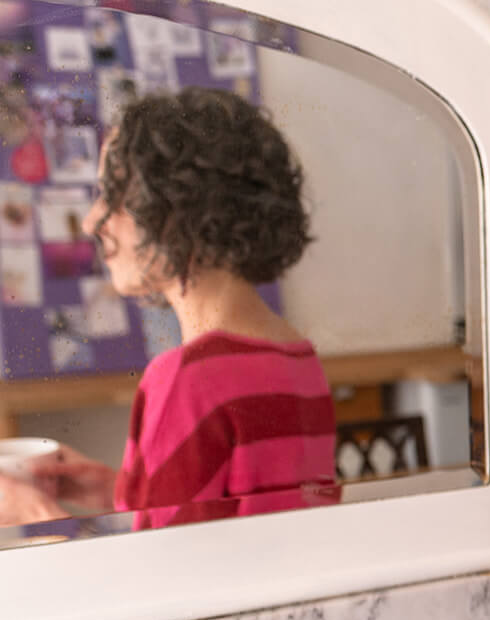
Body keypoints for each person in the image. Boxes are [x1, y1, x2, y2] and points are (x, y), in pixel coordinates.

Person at [0, 86, 336, 530]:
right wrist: (119, 490)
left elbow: (158, 582)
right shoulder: (296, 357)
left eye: (114, 196)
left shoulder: (187, 380)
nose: (90, 221)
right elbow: (242, 523)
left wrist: (38, 514)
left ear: (180, 209)